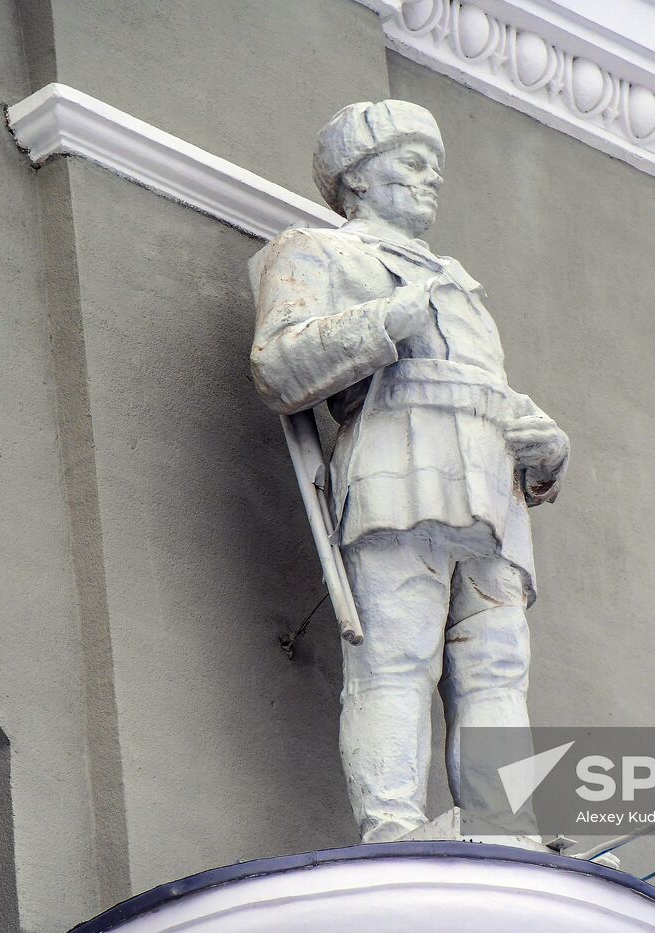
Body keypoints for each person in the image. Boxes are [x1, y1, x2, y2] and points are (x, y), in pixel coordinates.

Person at [250, 100, 569, 843]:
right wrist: (387, 319)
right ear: (357, 177)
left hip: (491, 479)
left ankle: (504, 824)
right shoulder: (318, 251)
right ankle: (391, 823)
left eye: (437, 168)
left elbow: (492, 390)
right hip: (397, 458)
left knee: (496, 663)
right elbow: (277, 365)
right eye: (413, 162)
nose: (432, 180)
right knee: (398, 652)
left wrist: (546, 451)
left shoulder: (461, 283)